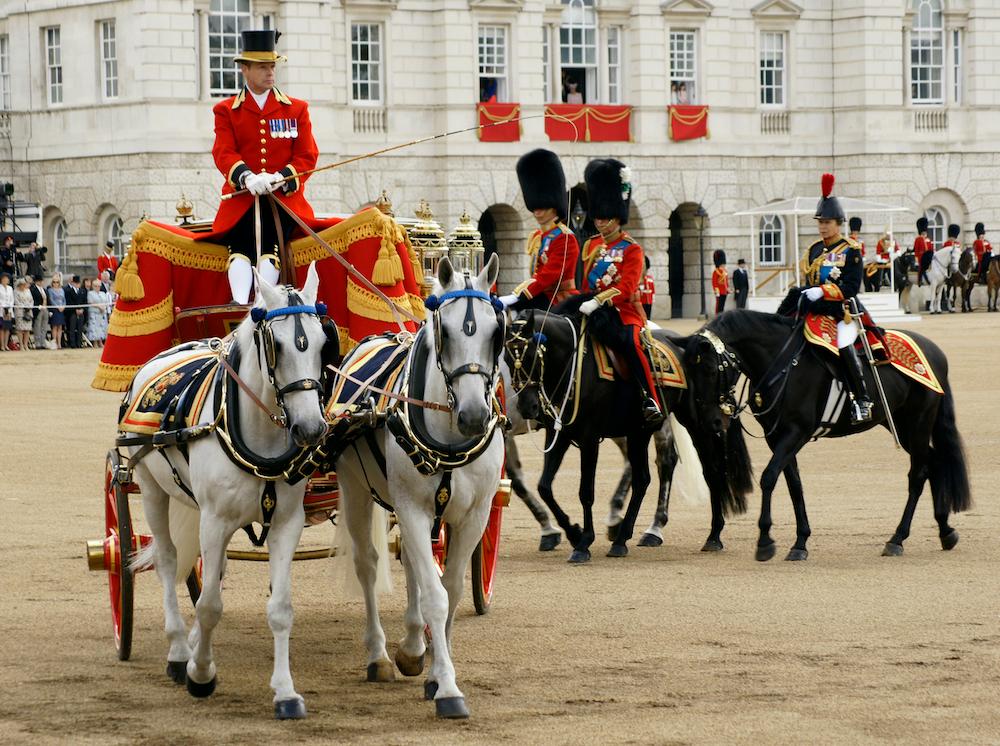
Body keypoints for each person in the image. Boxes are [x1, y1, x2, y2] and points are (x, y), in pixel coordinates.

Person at [208, 29, 320, 303]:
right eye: (262, 67)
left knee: (271, 241)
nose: (271, 73)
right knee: (241, 244)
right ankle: (239, 304)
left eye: (272, 66)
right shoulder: (226, 110)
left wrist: (281, 177)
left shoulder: (296, 109)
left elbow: (307, 156)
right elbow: (223, 152)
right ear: (244, 69)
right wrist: (246, 177)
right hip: (241, 198)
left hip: (283, 200)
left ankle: (262, 302)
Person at [577, 158, 663, 426]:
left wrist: (598, 301)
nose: (600, 221)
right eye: (598, 216)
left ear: (618, 216)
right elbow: (584, 284)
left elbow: (626, 288)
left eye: (606, 217)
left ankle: (650, 398)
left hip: (623, 313)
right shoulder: (592, 246)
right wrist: (583, 301)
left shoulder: (632, 249)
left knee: (631, 344)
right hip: (593, 310)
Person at [798, 173, 872, 424]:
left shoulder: (850, 250)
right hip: (814, 309)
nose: (822, 227)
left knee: (843, 343)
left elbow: (851, 287)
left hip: (843, 311)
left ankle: (862, 400)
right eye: (820, 221)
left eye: (827, 222)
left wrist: (824, 291)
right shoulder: (813, 250)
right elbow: (808, 280)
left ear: (838, 223)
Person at [499, 149, 579, 311]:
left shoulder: (565, 238)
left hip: (560, 299)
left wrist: (518, 295)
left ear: (554, 205)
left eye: (542, 206)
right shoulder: (538, 236)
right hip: (540, 295)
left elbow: (548, 275)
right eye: (535, 206)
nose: (537, 211)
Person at [86, 276, 109, 347]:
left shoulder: (103, 293)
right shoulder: (90, 293)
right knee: (94, 328)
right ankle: (95, 342)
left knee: (102, 328)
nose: (97, 287)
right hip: (94, 313)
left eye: (99, 286)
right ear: (93, 286)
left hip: (102, 314)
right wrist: (99, 306)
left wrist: (104, 307)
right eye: (95, 286)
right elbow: (90, 302)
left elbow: (106, 302)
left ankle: (100, 342)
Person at [64, 275, 86, 348]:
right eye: (76, 283)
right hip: (72, 312)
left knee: (80, 328)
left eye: (78, 283)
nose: (77, 284)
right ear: (73, 283)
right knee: (72, 328)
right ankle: (72, 343)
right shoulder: (68, 291)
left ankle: (79, 343)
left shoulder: (82, 291)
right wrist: (75, 310)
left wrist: (82, 309)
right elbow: (69, 302)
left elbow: (84, 301)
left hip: (81, 311)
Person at [29, 274, 49, 350]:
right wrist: (38, 307)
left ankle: (42, 342)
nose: (41, 282)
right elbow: (33, 300)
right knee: (37, 326)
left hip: (45, 309)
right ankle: (37, 343)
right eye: (39, 281)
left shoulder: (44, 290)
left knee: (44, 326)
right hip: (38, 309)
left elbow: (47, 299)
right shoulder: (33, 289)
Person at [47, 273, 66, 349]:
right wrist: (58, 307)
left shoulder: (62, 290)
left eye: (57, 282)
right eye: (54, 282)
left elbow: (64, 299)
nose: (55, 283)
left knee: (60, 327)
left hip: (61, 310)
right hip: (55, 310)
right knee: (54, 327)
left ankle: (59, 343)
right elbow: (51, 300)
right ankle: (54, 342)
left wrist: (63, 306)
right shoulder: (50, 290)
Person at [13, 276, 33, 351]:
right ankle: (21, 345)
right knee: (20, 329)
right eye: (21, 284)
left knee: (27, 329)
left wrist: (29, 307)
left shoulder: (28, 290)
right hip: (20, 312)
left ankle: (26, 345)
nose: (23, 286)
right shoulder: (16, 291)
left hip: (28, 312)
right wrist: (24, 307)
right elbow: (16, 301)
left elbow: (31, 300)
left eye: (24, 284)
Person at [913, 217, 933, 287]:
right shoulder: (918, 239)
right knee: (921, 267)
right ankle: (920, 280)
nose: (924, 233)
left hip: (929, 256)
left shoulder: (928, 239)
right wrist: (916, 258)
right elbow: (916, 249)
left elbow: (931, 248)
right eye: (923, 232)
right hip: (921, 256)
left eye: (925, 232)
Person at [711, 249, 729, 315]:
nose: (723, 265)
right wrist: (716, 291)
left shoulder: (725, 272)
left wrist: (727, 289)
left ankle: (721, 316)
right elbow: (714, 282)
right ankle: (717, 316)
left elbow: (726, 282)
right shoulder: (716, 272)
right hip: (719, 291)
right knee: (718, 306)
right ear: (719, 264)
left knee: (722, 306)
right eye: (722, 264)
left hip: (724, 291)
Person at [0, 272, 12, 351]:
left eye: (7, 279)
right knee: (1, 328)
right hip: (1, 310)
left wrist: (9, 306)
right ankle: (2, 345)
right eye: (4, 278)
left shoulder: (10, 288)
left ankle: (6, 344)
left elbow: (12, 299)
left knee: (7, 328)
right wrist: (4, 306)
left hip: (9, 310)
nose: (5, 280)